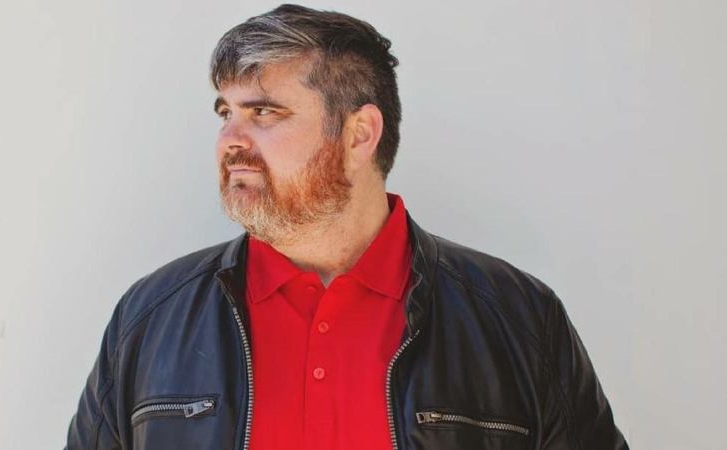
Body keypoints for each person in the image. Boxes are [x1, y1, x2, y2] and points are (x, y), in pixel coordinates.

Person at [65, 4, 629, 450]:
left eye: (263, 112)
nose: (230, 140)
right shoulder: (150, 318)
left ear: (359, 135)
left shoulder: (517, 316)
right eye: (225, 113)